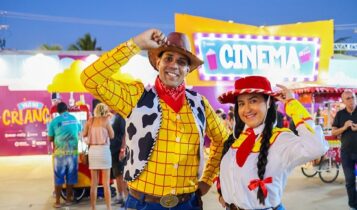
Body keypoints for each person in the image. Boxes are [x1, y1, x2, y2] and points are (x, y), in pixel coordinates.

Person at [80, 28, 229, 210]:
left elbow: (223, 139)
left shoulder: (200, 104)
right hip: (143, 203)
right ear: (158, 62)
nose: (174, 65)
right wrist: (136, 44)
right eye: (168, 58)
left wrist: (206, 180)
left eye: (181, 62)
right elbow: (90, 79)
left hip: (187, 203)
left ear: (187, 69)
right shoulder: (136, 97)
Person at [216, 76, 328, 210]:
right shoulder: (235, 139)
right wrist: (223, 194)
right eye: (241, 103)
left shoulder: (280, 139)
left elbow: (316, 147)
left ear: (268, 103)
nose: (247, 109)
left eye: (253, 101)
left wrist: (292, 104)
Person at [48, 102, 82, 208]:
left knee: (59, 177)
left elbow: (50, 138)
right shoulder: (75, 119)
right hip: (73, 153)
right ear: (67, 109)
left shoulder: (54, 122)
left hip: (60, 154)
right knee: (71, 176)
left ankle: (58, 202)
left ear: (58, 111)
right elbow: (79, 132)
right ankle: (68, 200)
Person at [83, 103, 115, 210]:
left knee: (94, 183)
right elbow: (112, 135)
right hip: (104, 151)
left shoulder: (90, 121)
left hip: (93, 151)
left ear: (96, 110)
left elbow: (83, 134)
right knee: (106, 184)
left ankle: (93, 208)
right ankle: (109, 208)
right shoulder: (106, 121)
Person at [331, 90, 357, 210]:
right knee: (350, 180)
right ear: (343, 101)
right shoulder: (340, 114)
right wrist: (344, 127)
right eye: (348, 98)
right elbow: (334, 132)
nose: (351, 100)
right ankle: (353, 205)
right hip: (346, 152)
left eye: (352, 97)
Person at [110, 113, 128, 206]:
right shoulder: (114, 116)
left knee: (122, 175)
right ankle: (120, 196)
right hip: (113, 150)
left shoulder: (120, 117)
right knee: (117, 175)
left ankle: (126, 198)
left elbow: (125, 134)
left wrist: (122, 149)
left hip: (118, 150)